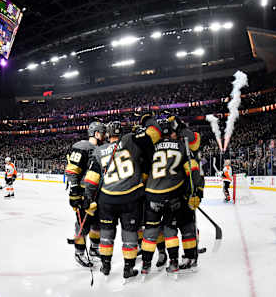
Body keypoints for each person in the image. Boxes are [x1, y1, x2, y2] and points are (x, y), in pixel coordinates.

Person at [83, 117, 162, 281]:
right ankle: (128, 268)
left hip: (107, 199)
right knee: (130, 234)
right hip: (131, 198)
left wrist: (87, 198)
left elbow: (91, 180)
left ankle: (105, 266)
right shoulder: (131, 141)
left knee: (106, 233)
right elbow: (152, 145)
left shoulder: (99, 151)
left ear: (107, 135)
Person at [140, 117, 204, 277]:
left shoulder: (151, 147)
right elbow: (193, 170)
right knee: (181, 226)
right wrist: (197, 192)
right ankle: (184, 259)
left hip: (152, 195)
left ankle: (147, 264)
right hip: (176, 195)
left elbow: (143, 172)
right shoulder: (183, 145)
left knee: (153, 230)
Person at [65, 121, 106, 268]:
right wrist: (74, 191)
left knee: (97, 224)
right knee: (83, 225)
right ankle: (79, 253)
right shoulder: (82, 146)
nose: (105, 135)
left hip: (97, 193)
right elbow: (72, 170)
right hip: (83, 193)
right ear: (96, 133)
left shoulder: (100, 149)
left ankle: (94, 249)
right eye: (102, 132)